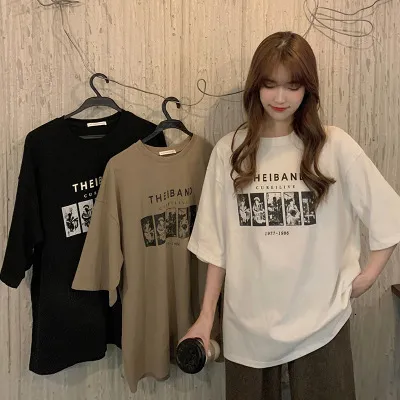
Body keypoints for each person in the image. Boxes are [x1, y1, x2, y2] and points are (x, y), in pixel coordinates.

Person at [181, 31, 400, 400]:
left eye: (292, 86)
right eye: (270, 85)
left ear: (307, 89)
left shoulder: (333, 146)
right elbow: (217, 245)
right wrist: (206, 318)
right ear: (256, 86)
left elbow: (389, 213)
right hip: (247, 326)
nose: (280, 98)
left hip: (321, 324)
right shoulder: (230, 151)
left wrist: (367, 277)